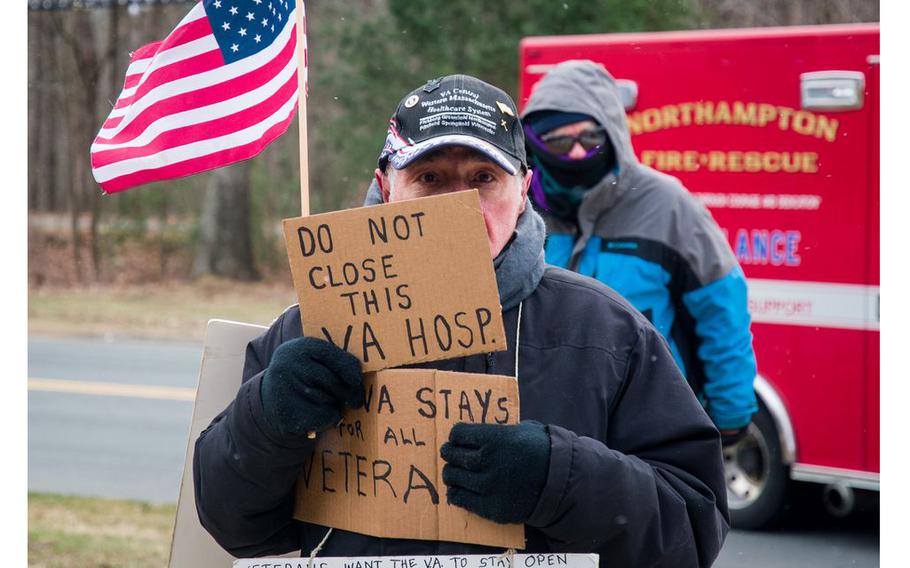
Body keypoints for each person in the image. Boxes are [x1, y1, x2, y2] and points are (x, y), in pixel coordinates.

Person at [195, 74, 729, 566]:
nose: (458, 206)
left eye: (483, 178)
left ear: (522, 190)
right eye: (429, 177)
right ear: (387, 186)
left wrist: (558, 479)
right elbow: (232, 525)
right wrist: (268, 418)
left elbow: (692, 531)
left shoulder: (607, 332)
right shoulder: (312, 327)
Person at [521, 60, 758, 444]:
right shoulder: (517, 207)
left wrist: (730, 414)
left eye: (591, 138)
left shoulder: (669, 205)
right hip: (545, 426)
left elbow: (722, 310)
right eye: (561, 143)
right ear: (535, 143)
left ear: (613, 134)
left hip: (651, 422)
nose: (579, 154)